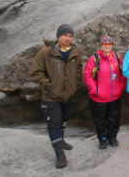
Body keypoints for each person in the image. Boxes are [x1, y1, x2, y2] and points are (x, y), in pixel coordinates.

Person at [30, 24, 83, 169]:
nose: (68, 38)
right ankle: (59, 154)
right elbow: (35, 72)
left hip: (68, 95)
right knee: (54, 123)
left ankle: (61, 140)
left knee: (64, 119)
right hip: (51, 96)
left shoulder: (75, 52)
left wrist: (75, 84)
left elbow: (79, 69)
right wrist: (49, 85)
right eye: (65, 35)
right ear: (58, 36)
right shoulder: (46, 53)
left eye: (70, 36)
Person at [83, 34, 127, 149]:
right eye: (105, 44)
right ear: (101, 45)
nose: (107, 46)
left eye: (109, 44)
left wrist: (121, 86)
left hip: (115, 96)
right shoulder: (94, 59)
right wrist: (94, 89)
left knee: (114, 119)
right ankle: (102, 138)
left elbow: (124, 73)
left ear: (112, 45)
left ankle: (112, 137)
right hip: (99, 97)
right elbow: (87, 75)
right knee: (100, 120)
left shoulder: (117, 57)